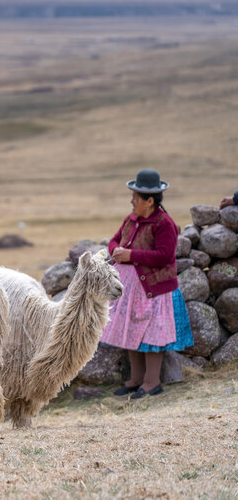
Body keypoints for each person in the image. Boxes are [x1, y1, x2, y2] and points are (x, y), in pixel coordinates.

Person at [99, 168, 193, 399]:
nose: (131, 201)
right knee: (130, 331)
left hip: (155, 290)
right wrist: (117, 251)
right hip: (132, 290)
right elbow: (113, 241)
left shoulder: (164, 224)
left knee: (152, 335)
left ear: (149, 201)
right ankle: (135, 379)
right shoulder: (131, 220)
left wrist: (131, 255)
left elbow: (164, 256)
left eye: (136, 197)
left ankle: (152, 382)